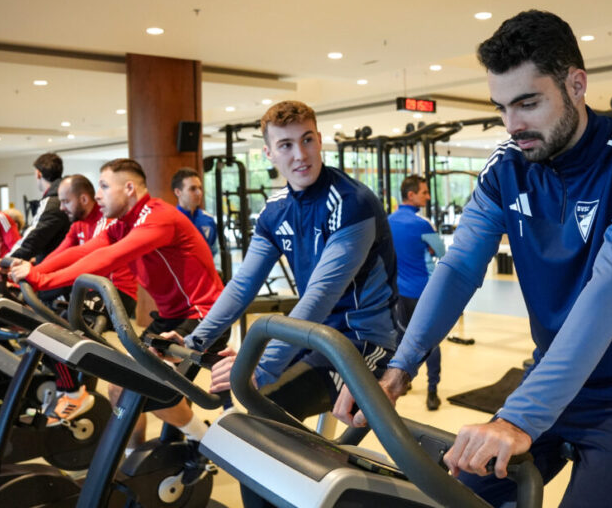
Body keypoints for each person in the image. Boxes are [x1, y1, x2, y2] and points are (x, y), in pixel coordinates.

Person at [335, 10, 612, 507]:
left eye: (528, 103)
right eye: (502, 108)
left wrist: (518, 418)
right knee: (457, 500)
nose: (513, 125)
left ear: (576, 84)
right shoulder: (505, 168)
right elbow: (459, 267)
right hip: (551, 378)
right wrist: (398, 369)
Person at [170, 100, 399, 426]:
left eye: (307, 140)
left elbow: (320, 295)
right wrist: (193, 341)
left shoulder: (352, 203)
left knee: (264, 407)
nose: (300, 155)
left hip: (361, 342)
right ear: (269, 153)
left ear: (319, 140)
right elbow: (242, 286)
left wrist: (261, 368)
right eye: (286, 145)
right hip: (313, 335)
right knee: (245, 412)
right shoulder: (275, 211)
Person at [8, 159, 224, 465]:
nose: (98, 195)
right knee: (121, 388)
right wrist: (35, 270)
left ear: (129, 188)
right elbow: (85, 250)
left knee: (139, 388)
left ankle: (207, 442)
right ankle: (134, 461)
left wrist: (42, 281)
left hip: (203, 316)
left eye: (104, 186)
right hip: (170, 317)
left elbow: (109, 257)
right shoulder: (124, 223)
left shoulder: (158, 217)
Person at [33, 174, 140, 423]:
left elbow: (86, 256)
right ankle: (72, 391)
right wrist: (33, 271)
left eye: (65, 201)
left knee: (62, 332)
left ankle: (72, 393)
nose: (62, 208)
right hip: (91, 291)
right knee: (47, 330)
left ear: (83, 199)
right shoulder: (77, 225)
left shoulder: (106, 222)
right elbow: (62, 253)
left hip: (115, 293)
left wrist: (40, 278)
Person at [388, 175, 446, 410]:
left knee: (402, 338)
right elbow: (441, 252)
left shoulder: (388, 220)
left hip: (398, 292)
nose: (428, 197)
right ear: (410, 195)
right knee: (429, 341)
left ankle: (403, 381)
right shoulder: (422, 223)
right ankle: (432, 391)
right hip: (423, 292)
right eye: (424, 192)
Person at [0, 152, 70, 275]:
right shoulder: (61, 198)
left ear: (38, 174)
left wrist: (3, 263)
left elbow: (31, 241)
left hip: (54, 273)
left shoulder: (52, 202)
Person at [172, 167, 218, 256]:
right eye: (192, 189)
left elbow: (213, 252)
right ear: (178, 192)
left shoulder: (208, 219)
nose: (199, 193)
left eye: (200, 188)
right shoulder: (170, 221)